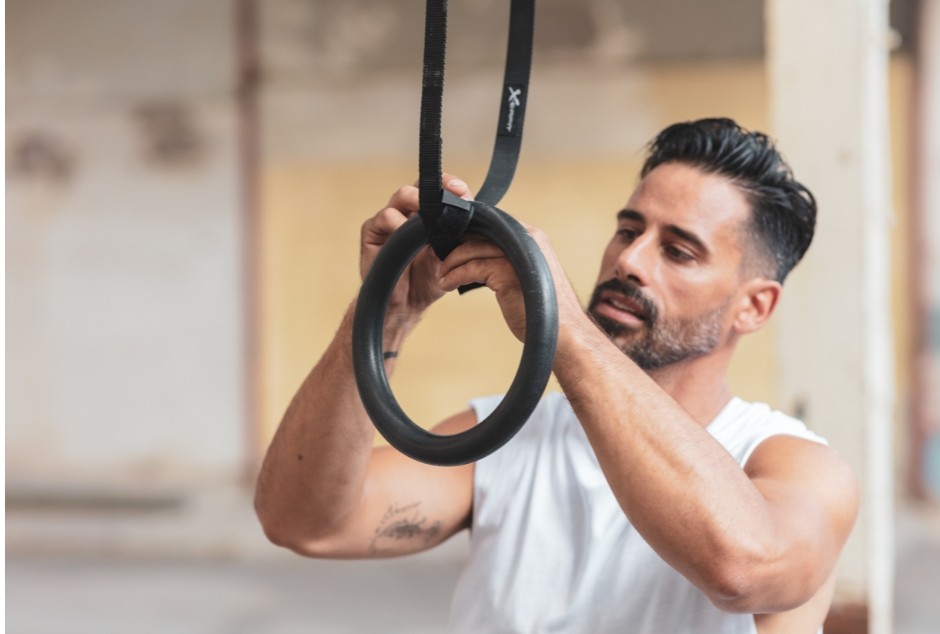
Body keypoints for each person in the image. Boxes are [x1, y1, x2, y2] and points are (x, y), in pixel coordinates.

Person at [254, 118, 858, 633]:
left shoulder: (796, 466)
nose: (628, 259)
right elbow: (304, 523)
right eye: (629, 229)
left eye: (678, 251)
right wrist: (382, 316)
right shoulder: (507, 436)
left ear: (754, 306)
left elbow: (742, 568)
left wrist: (562, 328)